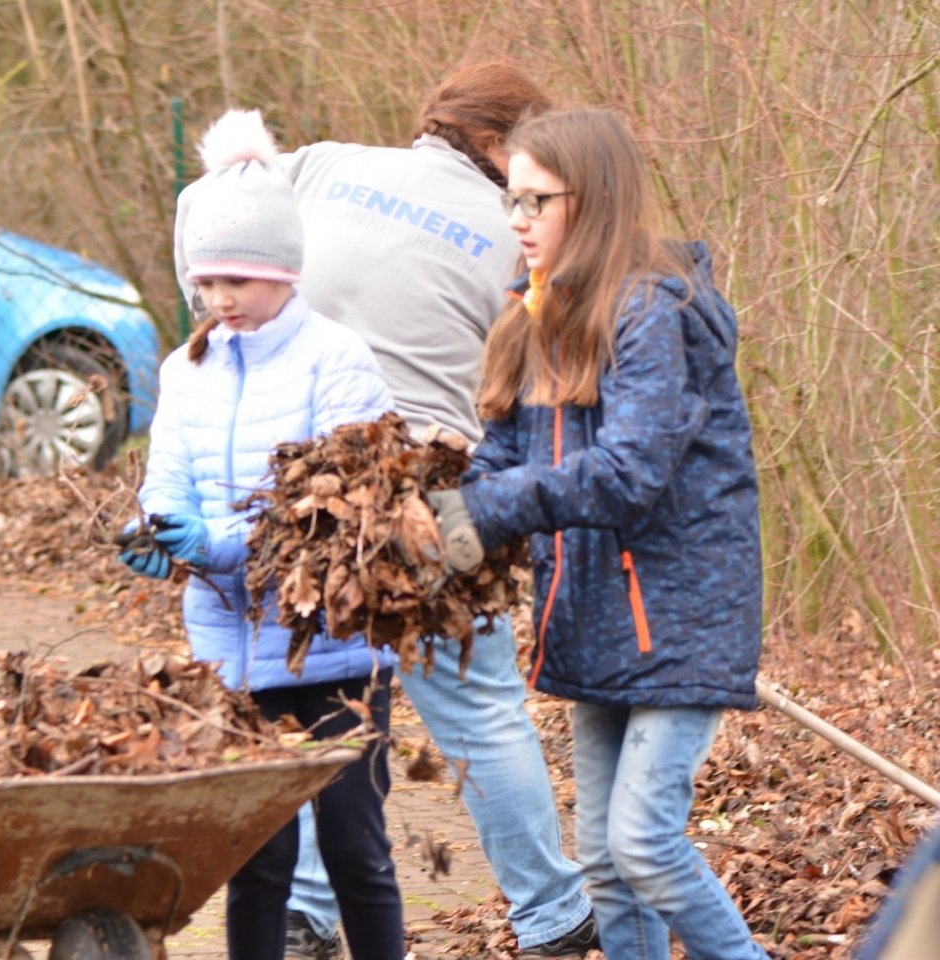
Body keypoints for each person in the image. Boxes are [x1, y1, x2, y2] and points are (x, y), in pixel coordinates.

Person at [428, 106, 770, 959]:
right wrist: (437, 522)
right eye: (511, 201)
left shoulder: (657, 312)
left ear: (596, 199)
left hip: (679, 618)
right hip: (590, 617)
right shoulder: (534, 314)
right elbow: (502, 459)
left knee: (647, 846)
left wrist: (482, 514)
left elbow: (629, 473)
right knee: (608, 867)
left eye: (535, 201)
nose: (517, 221)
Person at [276, 61, 598, 958]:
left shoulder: (322, 165)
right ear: (497, 145)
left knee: (324, 700)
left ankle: (304, 913)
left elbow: (217, 201)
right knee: (478, 710)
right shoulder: (523, 235)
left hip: (313, 492)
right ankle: (554, 915)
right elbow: (550, 388)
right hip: (439, 491)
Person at [120, 107, 404, 960]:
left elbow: (336, 518)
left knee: (357, 849)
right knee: (257, 859)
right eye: (206, 284)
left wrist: (213, 543)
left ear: (283, 271)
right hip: (231, 653)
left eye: (236, 282)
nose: (219, 301)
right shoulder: (186, 369)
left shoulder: (337, 361)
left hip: (335, 655)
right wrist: (153, 532)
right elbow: (167, 476)